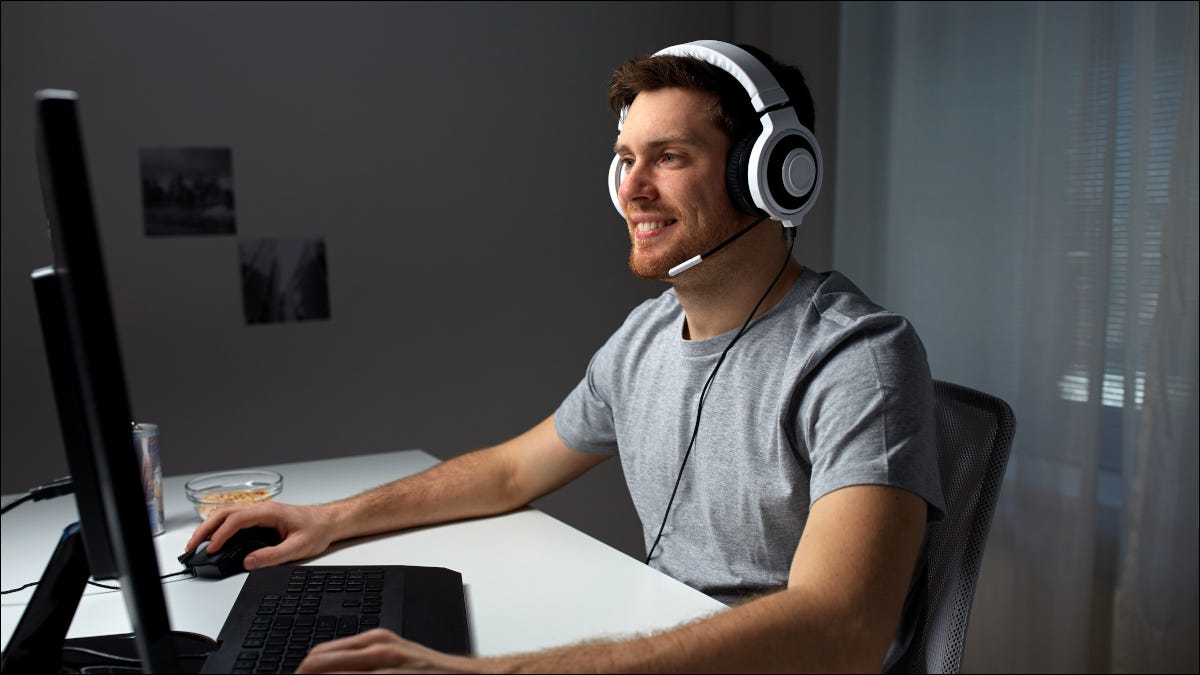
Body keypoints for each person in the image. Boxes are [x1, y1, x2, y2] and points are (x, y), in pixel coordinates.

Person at [187, 40, 945, 673]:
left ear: (774, 172)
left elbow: (841, 629)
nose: (632, 191)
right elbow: (514, 469)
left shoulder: (857, 357)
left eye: (669, 157)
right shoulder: (646, 337)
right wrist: (329, 520)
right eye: (625, 160)